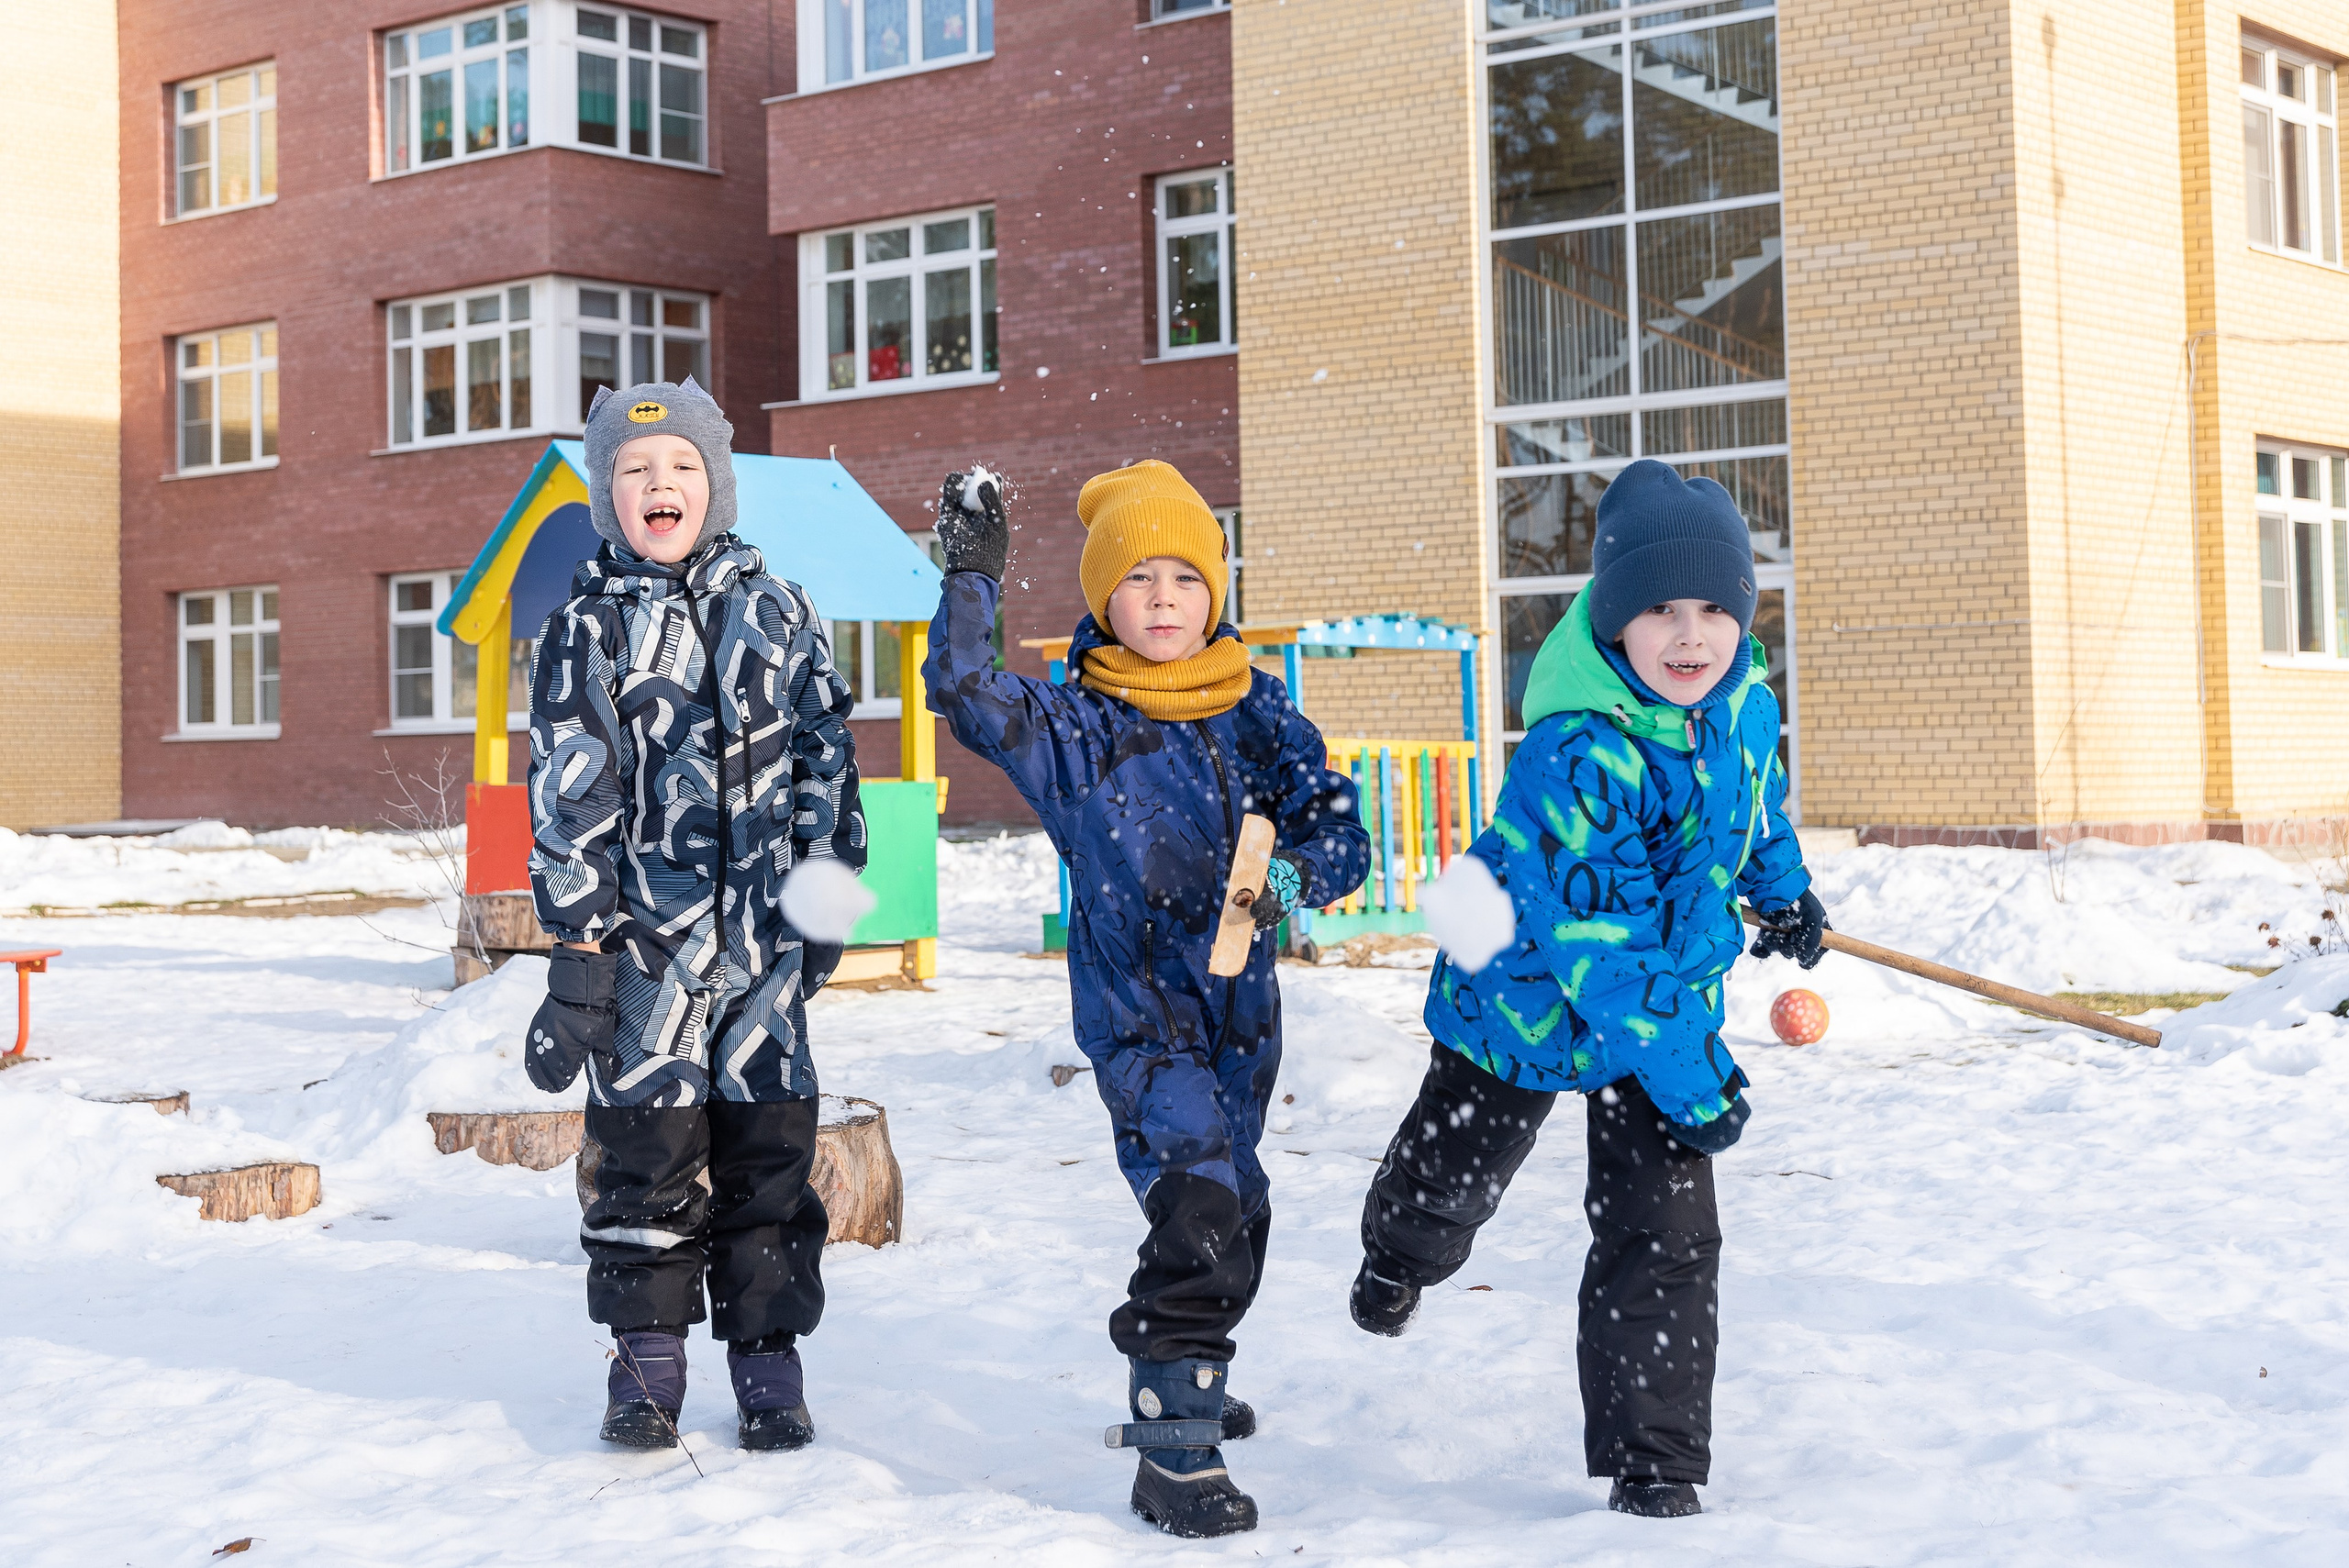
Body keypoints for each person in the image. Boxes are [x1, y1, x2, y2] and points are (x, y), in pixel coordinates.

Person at [1350, 459, 1828, 1518]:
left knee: (1665, 1231)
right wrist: (1699, 1077)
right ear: (1615, 621)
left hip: (1654, 1004)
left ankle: (1653, 1459)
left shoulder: (1743, 709)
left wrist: (1783, 891)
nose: (1690, 634)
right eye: (1661, 608)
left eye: (1714, 608)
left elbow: (1749, 813)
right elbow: (1600, 946)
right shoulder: (1578, 751)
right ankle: (1397, 1251)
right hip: (1520, 1000)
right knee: (1453, 1180)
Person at [924, 461, 1368, 1538]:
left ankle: (1192, 1367)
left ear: (1214, 592)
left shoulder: (1257, 709)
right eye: (1137, 578)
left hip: (1241, 1020)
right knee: (1199, 1200)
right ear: (1102, 600)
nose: (1163, 596)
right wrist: (973, 578)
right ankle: (1173, 1442)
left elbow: (1338, 825)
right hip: (1138, 1019)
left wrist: (1294, 878)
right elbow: (967, 691)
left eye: (1184, 574)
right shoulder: (1076, 727)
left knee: (1240, 1211)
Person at [520, 377, 863, 1455]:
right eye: (632, 470)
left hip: (764, 954)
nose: (657, 484)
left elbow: (829, 765)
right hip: (644, 960)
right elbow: (571, 794)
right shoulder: (586, 629)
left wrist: (825, 902)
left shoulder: (782, 611)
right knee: (643, 1162)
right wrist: (576, 954)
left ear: (715, 487)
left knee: (770, 1163)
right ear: (605, 495)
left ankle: (767, 1362)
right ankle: (645, 1364)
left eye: (679, 468)